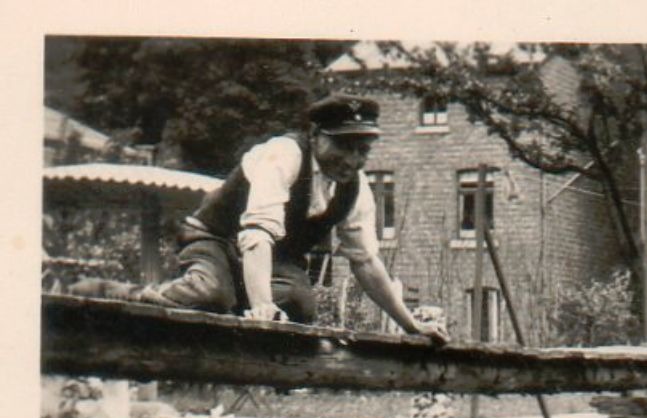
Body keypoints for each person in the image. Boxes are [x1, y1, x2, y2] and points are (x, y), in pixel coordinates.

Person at [70, 94, 448, 343]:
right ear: (316, 135)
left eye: (362, 151)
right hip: (216, 240)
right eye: (343, 146)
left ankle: (234, 305)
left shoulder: (355, 188)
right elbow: (256, 236)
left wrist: (410, 324)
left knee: (300, 306)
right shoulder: (283, 156)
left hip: (278, 261)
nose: (351, 161)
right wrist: (263, 307)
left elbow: (367, 263)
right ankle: (129, 297)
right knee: (210, 294)